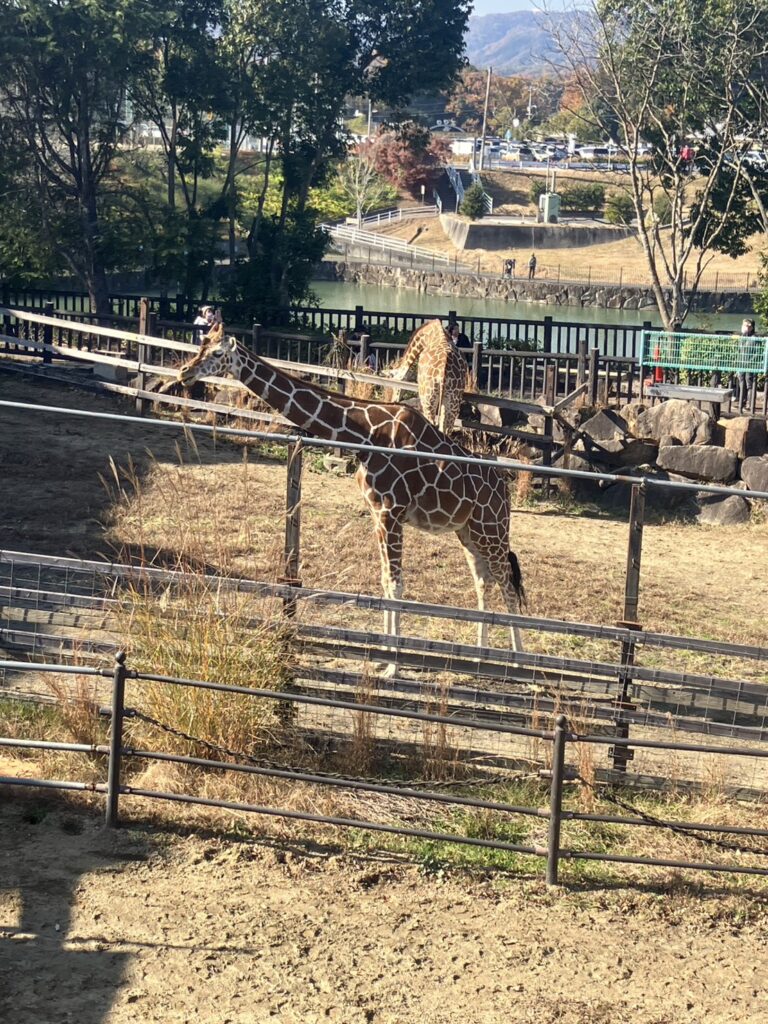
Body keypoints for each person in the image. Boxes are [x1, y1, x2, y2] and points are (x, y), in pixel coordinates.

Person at [736, 318, 756, 407]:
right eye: (744, 325)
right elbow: (738, 351)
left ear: (752, 327)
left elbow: (757, 353)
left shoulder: (754, 338)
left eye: (748, 326)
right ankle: (741, 402)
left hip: (750, 365)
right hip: (741, 364)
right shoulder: (742, 338)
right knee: (741, 382)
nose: (746, 327)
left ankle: (750, 404)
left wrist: (751, 362)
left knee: (749, 383)